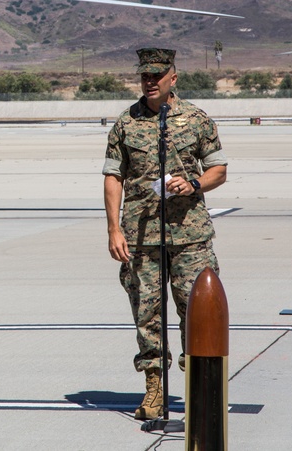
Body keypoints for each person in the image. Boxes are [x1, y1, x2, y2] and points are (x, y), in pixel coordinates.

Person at [102, 48, 228, 421]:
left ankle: (198, 384)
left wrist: (193, 184)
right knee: (147, 315)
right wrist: (113, 229)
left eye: (157, 76)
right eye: (145, 76)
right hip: (141, 237)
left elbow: (219, 169)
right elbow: (113, 177)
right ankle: (154, 388)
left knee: (197, 311)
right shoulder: (126, 123)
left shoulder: (197, 119)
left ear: (173, 78)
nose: (150, 82)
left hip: (189, 236)